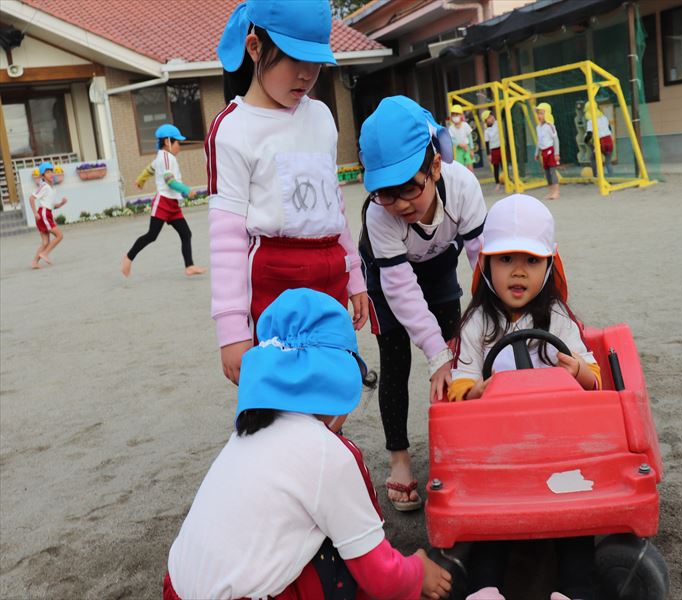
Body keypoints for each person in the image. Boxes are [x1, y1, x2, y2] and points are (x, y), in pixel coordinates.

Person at [164, 288, 453, 600]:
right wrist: (417, 572)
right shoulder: (328, 452)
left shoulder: (245, 435)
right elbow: (382, 579)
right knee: (345, 563)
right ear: (337, 381)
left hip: (177, 587)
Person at [207, 0, 367, 387]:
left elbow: (333, 206)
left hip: (331, 273)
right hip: (274, 280)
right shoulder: (233, 129)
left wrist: (355, 275)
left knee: (336, 380)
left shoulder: (322, 117)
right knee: (281, 390)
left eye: (315, 62)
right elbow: (227, 238)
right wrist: (232, 330)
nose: (306, 74)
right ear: (254, 47)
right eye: (294, 58)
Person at [448, 194, 600, 599]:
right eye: (505, 259)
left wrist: (577, 371)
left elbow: (594, 378)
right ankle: (484, 587)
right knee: (489, 513)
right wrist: (474, 391)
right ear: (485, 264)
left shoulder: (559, 319)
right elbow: (460, 381)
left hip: (557, 446)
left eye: (531, 260)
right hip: (497, 449)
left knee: (576, 509)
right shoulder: (477, 323)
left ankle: (576, 588)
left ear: (549, 265)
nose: (518, 271)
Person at [358, 96, 487, 511]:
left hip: (438, 263)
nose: (400, 204)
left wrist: (484, 329)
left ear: (434, 166)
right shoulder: (379, 215)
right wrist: (434, 354)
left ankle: (460, 444)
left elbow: (483, 267)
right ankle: (399, 456)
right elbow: (401, 290)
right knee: (396, 359)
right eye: (386, 193)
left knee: (459, 351)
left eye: (409, 188)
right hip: (387, 275)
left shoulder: (463, 186)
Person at [121, 124, 207, 278]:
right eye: (177, 142)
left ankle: (189, 266)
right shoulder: (166, 158)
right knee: (152, 235)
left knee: (186, 233)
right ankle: (128, 257)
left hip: (173, 204)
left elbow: (150, 169)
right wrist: (186, 190)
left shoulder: (162, 157)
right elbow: (169, 181)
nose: (179, 146)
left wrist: (140, 179)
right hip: (163, 203)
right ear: (168, 142)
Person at [29, 161, 67, 269]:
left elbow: (52, 206)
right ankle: (45, 254)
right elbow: (31, 198)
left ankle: (34, 262)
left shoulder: (52, 188)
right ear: (42, 176)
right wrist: (35, 213)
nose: (50, 174)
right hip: (43, 214)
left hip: (47, 213)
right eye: (47, 172)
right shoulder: (44, 186)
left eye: (51, 171)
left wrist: (61, 203)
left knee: (45, 242)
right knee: (59, 235)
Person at [534, 102, 560, 200]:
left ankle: (556, 192)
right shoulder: (538, 127)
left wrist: (556, 153)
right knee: (547, 173)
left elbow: (555, 139)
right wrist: (537, 152)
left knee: (552, 171)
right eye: (538, 113)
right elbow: (539, 141)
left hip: (550, 151)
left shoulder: (550, 126)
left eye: (541, 113)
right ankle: (551, 191)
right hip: (543, 152)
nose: (539, 116)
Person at [583, 103, 614, 178]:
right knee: (608, 162)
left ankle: (596, 176)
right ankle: (611, 178)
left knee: (593, 158)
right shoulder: (604, 118)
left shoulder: (591, 121)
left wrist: (585, 141)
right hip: (609, 140)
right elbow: (609, 128)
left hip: (600, 142)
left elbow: (589, 134)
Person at [448, 105, 474, 172]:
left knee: (469, 165)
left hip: (467, 147)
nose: (455, 117)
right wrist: (460, 145)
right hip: (459, 149)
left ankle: (471, 177)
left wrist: (471, 149)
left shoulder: (465, 125)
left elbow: (470, 137)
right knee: (460, 167)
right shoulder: (451, 128)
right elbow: (452, 140)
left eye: (457, 114)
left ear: (461, 115)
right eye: (453, 115)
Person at [481, 110, 502, 191]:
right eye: (489, 118)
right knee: (496, 167)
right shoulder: (487, 131)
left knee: (504, 166)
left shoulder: (497, 123)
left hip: (501, 147)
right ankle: (497, 183)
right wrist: (488, 154)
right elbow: (487, 143)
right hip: (494, 149)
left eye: (491, 116)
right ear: (486, 121)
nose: (492, 118)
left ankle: (507, 179)